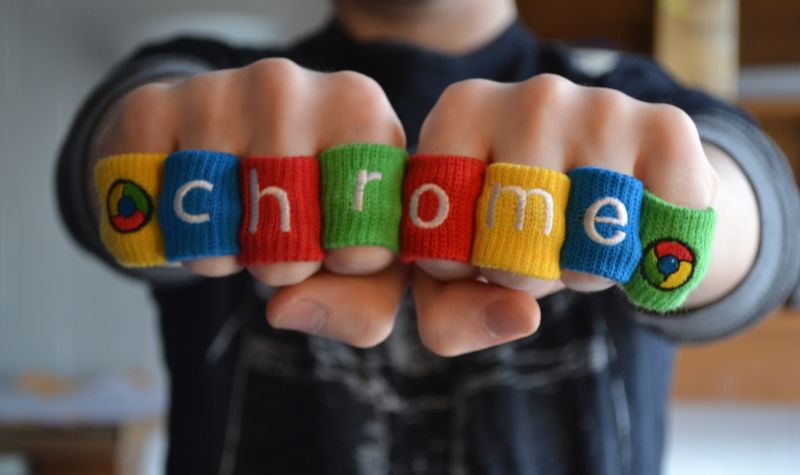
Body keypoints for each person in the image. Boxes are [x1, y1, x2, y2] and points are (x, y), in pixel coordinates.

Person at [56, 0, 799, 473]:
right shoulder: (223, 84)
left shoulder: (631, 95)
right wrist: (135, 138)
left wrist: (717, 213)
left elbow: (761, 220)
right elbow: (110, 165)